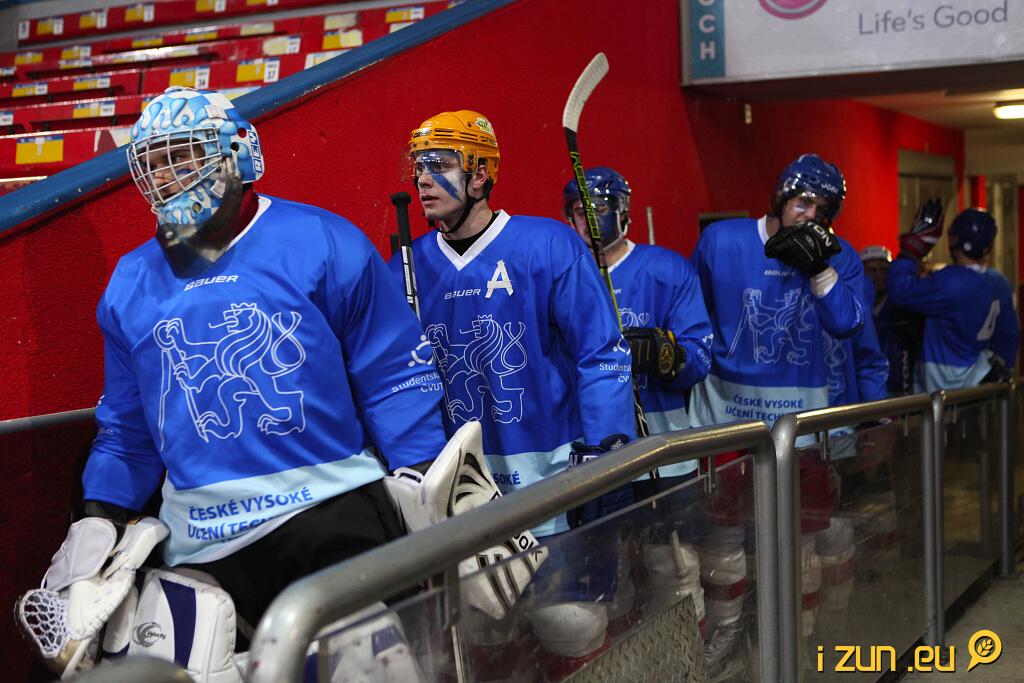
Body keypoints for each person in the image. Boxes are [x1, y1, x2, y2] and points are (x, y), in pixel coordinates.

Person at [29, 87, 452, 679]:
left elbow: (392, 377)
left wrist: (429, 478)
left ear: (238, 151)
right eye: (154, 163)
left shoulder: (323, 240)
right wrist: (98, 522)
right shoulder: (130, 283)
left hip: (330, 511)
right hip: (201, 542)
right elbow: (128, 432)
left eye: (182, 155)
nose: (167, 176)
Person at [393, 110, 636, 676]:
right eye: (418, 165)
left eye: (439, 163)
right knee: (484, 644)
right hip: (462, 497)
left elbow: (600, 352)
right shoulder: (405, 266)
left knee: (570, 626)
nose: (423, 178)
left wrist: (605, 451)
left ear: (480, 174)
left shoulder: (546, 245)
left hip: (550, 487)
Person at [689, 153, 866, 670]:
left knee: (801, 546)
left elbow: (848, 324)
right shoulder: (721, 241)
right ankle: (726, 634)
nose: (811, 215)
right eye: (804, 202)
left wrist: (820, 270)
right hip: (726, 421)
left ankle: (796, 644)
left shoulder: (839, 256)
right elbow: (695, 317)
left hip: (800, 430)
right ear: (781, 196)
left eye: (823, 209)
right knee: (723, 538)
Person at [561, 166, 712, 632]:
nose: (588, 220)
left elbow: (701, 356)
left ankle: (684, 657)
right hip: (595, 454)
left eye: (598, 209)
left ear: (623, 211)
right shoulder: (563, 272)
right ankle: (630, 659)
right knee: (610, 576)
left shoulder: (667, 270)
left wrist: (665, 355)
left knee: (675, 567)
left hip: (662, 449)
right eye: (579, 211)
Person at [887, 206, 1019, 391]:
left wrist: (912, 250)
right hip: (983, 377)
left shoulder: (951, 281)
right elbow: (1010, 336)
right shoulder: (1000, 282)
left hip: (946, 382)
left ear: (953, 238)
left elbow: (898, 290)